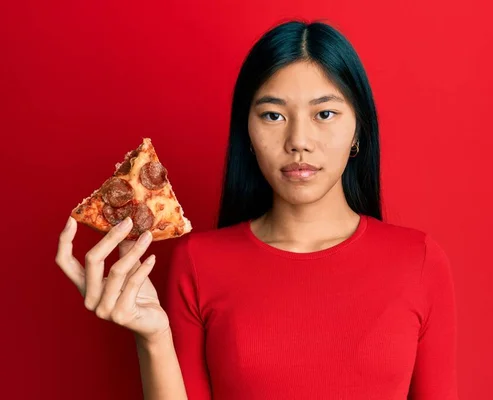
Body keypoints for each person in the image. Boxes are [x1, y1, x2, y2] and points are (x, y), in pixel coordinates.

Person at [56, 20, 458, 400]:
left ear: (358, 130)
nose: (298, 140)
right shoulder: (197, 263)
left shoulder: (419, 261)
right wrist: (153, 338)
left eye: (325, 113)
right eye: (273, 115)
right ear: (246, 132)